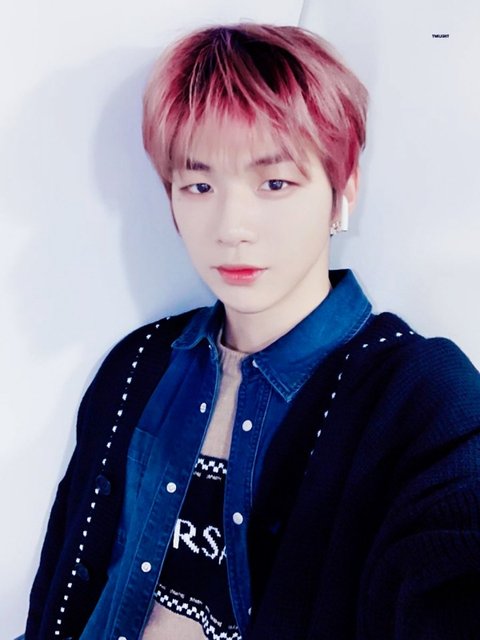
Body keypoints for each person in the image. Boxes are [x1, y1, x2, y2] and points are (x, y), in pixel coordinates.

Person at [21, 22, 480, 640]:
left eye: (275, 183)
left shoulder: (418, 394)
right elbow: (63, 585)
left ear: (343, 189)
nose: (232, 227)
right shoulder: (139, 364)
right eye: (199, 185)